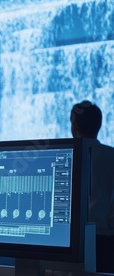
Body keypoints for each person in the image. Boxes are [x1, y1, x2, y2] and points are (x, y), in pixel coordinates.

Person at [70, 100, 114, 273]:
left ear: (74, 125)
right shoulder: (111, 156)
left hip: (73, 240)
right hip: (105, 240)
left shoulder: (69, 156)